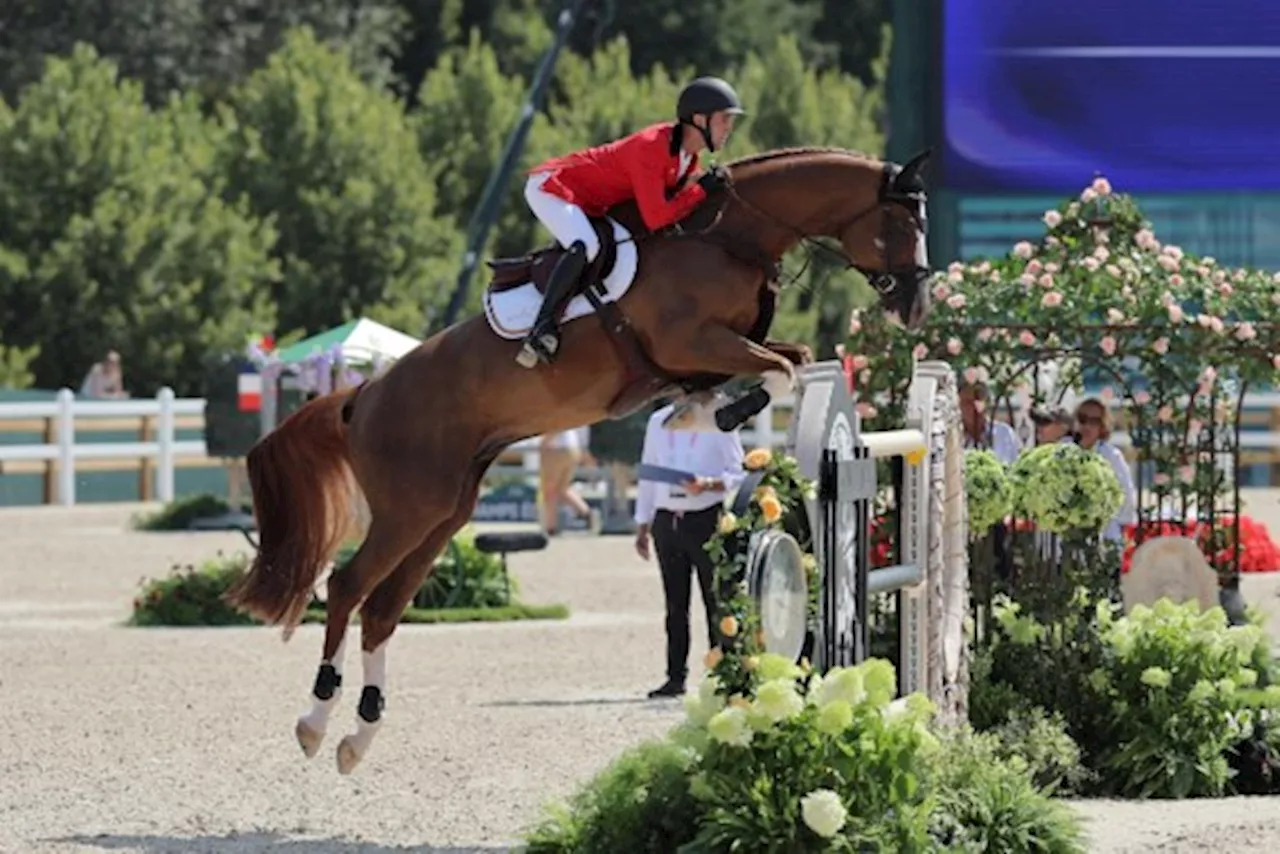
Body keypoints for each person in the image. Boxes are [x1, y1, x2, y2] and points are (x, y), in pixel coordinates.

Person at [515, 76, 746, 369]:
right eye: (724, 119)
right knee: (587, 245)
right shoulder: (652, 147)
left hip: (588, 203)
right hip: (554, 187)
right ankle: (541, 328)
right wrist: (701, 190)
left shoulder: (688, 158)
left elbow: (681, 203)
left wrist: (703, 189)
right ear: (700, 119)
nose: (729, 128)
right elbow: (657, 217)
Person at [633, 399, 746, 698]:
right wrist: (643, 522)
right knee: (674, 605)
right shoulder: (658, 420)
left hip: (705, 518)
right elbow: (648, 472)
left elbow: (739, 471)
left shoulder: (718, 420)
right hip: (666, 519)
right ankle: (675, 676)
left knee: (715, 600)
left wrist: (709, 484)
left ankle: (723, 674)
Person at [1071, 397, 1136, 543]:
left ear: (1102, 426)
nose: (1086, 425)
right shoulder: (1063, 449)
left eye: (1094, 421)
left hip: (1104, 534)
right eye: (1082, 419)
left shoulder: (1112, 456)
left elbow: (1126, 496)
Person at [538, 428, 597, 535]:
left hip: (557, 448)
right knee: (562, 488)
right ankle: (587, 513)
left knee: (549, 490)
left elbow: (555, 425)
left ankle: (550, 526)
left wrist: (545, 442)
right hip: (572, 447)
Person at [959, 381, 1021, 464]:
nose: (975, 406)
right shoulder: (955, 441)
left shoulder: (1005, 434)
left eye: (979, 400)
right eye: (968, 403)